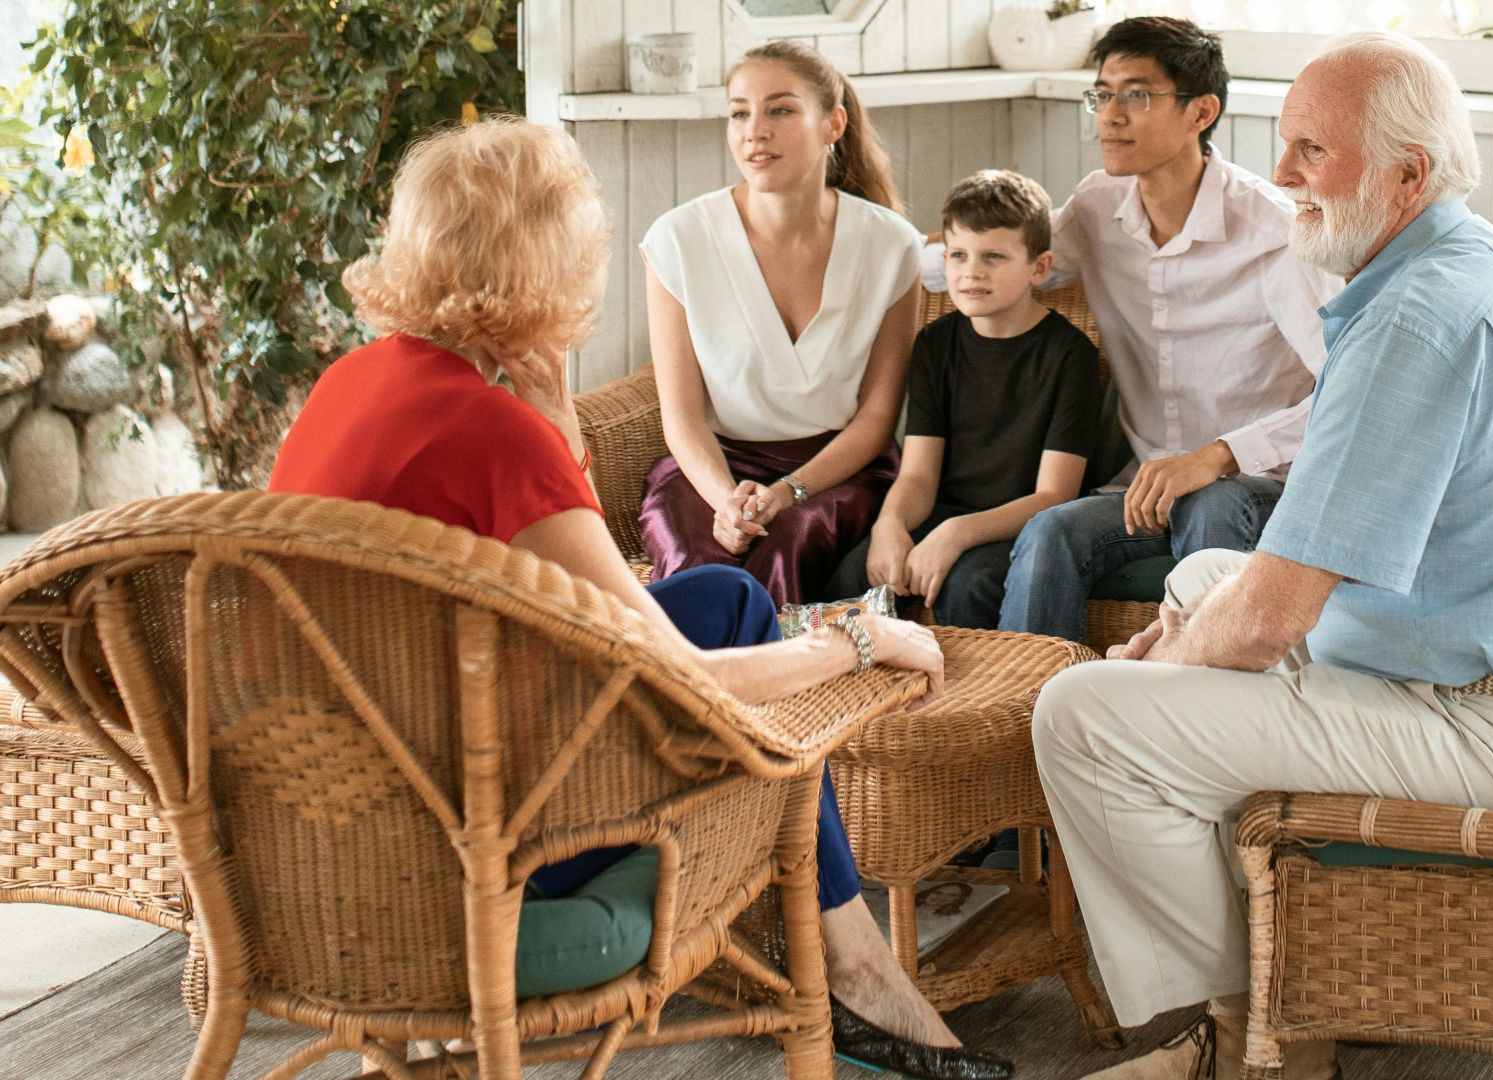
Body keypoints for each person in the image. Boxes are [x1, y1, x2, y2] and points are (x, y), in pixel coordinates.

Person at [268, 116, 1010, 1080]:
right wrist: (857, 642)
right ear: (551, 259)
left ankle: (844, 968)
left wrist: (560, 428)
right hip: (476, 846)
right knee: (765, 702)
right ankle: (857, 972)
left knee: (721, 596)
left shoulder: (354, 381)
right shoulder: (492, 436)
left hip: (340, 815)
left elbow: (563, 578)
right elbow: (687, 679)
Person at [1030, 32, 1493, 1080]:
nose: (1282, 176)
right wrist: (1197, 641)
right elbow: (1290, 586)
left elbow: (1273, 620)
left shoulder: (1416, 318)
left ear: (1408, 174)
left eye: (1314, 150)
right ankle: (1279, 948)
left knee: (1084, 716)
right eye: (1284, 144)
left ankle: (1248, 1032)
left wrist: (1158, 669)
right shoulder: (1470, 260)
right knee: (1196, 582)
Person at [921, 17, 1342, 643]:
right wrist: (853, 241)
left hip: (1258, 486)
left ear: (1202, 111)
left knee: (1213, 502)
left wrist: (1217, 456)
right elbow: (997, 258)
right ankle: (1035, 719)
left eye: (1136, 95)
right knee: (1052, 529)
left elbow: (1349, 392)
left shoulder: (1273, 234)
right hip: (1143, 489)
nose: (1109, 116)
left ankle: (1203, 717)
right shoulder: (1098, 209)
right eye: (1102, 94)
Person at [638, 39, 920, 606]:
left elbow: (877, 416)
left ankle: (782, 692)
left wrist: (790, 491)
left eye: (780, 110)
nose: (754, 130)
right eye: (740, 112)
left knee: (785, 544)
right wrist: (725, 501)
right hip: (711, 467)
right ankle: (697, 694)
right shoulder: (678, 240)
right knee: (702, 567)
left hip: (838, 473)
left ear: (833, 124)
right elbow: (682, 416)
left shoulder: (892, 246)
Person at [825, 169, 1100, 629]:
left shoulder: (1071, 356)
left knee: (967, 585)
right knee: (856, 574)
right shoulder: (934, 344)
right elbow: (917, 475)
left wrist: (957, 534)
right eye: (958, 255)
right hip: (940, 511)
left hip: (1020, 524)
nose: (971, 271)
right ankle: (865, 695)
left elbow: (1054, 494)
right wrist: (889, 525)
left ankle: (976, 699)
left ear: (1039, 266)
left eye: (993, 256)